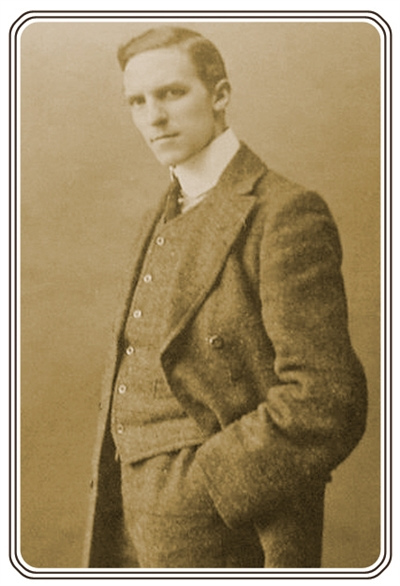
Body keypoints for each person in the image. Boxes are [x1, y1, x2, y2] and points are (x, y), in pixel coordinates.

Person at [83, 26, 368, 569]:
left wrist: (208, 487)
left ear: (220, 95)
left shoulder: (284, 213)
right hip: (122, 520)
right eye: (137, 101)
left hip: (225, 531)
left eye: (171, 93)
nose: (153, 117)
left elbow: (326, 398)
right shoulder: (157, 215)